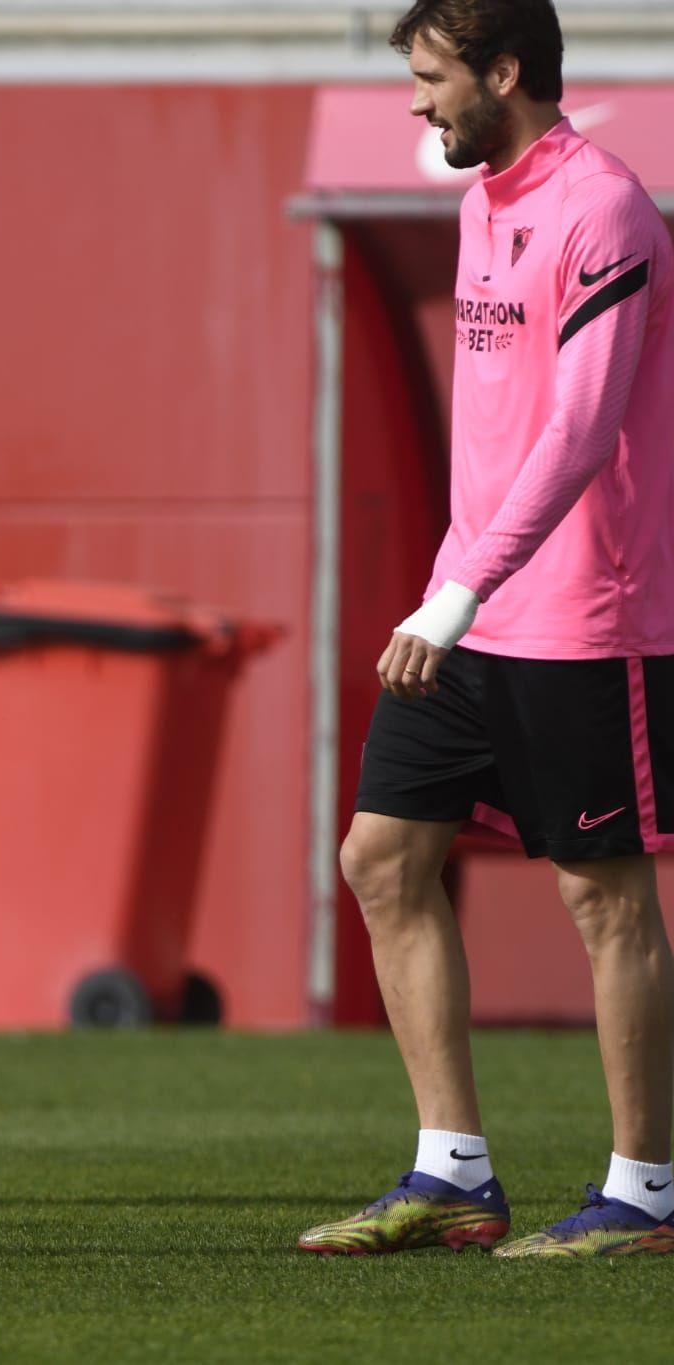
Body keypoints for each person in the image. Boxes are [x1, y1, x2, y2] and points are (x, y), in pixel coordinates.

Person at [299, 0, 674, 1258]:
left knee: (599, 895)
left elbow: (578, 432)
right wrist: (452, 592)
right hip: (467, 609)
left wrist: (458, 592)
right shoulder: (478, 204)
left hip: (580, 615)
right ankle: (452, 1174)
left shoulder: (602, 209)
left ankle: (644, 1195)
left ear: (502, 72)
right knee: (379, 858)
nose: (415, 101)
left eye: (430, 77)